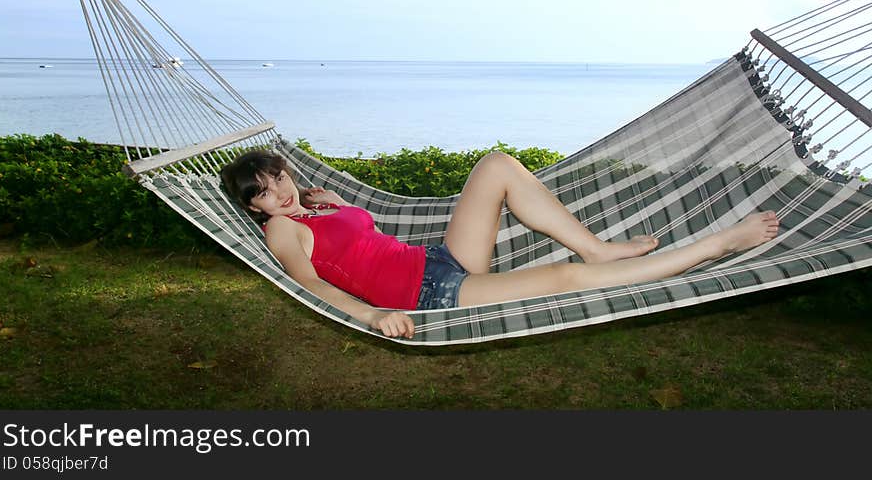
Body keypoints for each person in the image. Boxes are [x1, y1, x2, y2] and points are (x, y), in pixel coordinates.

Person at [220, 149, 780, 339]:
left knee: (496, 166)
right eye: (265, 195)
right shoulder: (282, 230)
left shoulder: (309, 209)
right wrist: (372, 317)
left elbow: (352, 244)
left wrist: (333, 203)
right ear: (255, 208)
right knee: (562, 281)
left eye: (281, 179)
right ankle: (716, 244)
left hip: (436, 263)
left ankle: (596, 247)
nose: (281, 194)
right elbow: (312, 283)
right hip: (426, 298)